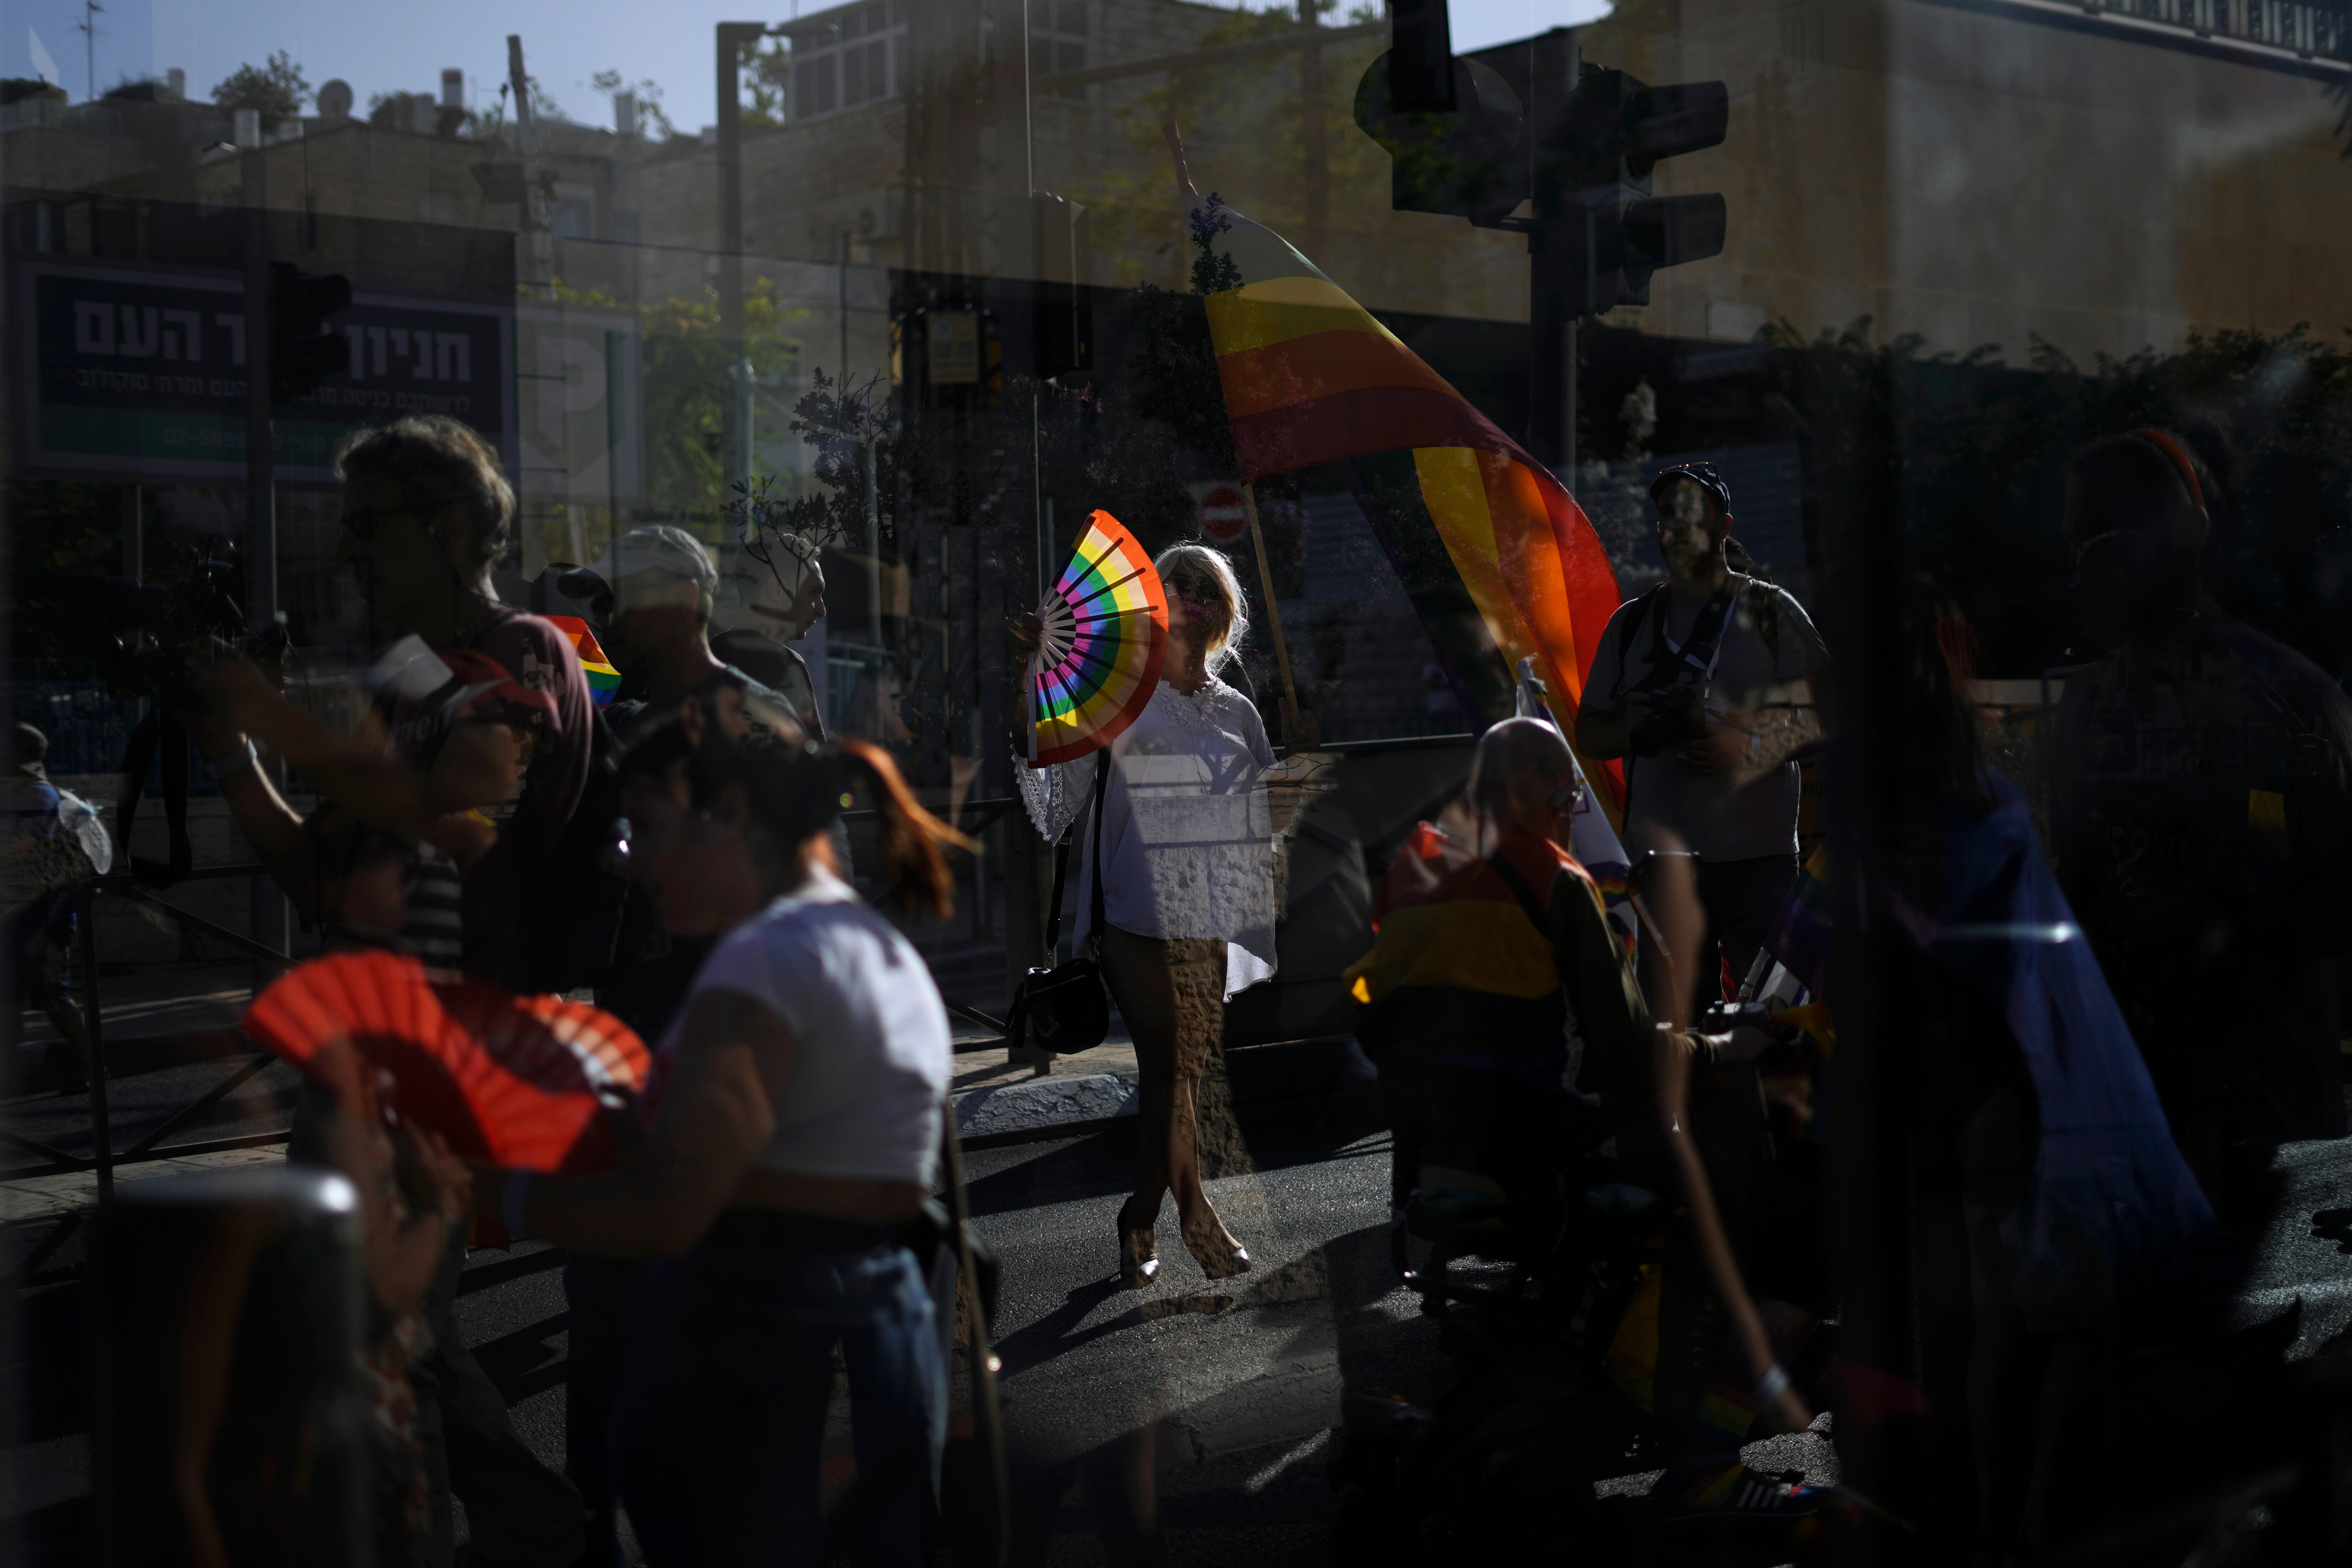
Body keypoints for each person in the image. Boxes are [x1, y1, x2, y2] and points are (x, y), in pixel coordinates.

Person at [176, 413, 590, 1568]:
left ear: (448, 527)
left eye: (368, 527)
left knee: (375, 1320)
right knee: (369, 1322)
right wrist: (229, 748)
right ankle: (526, 1528)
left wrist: (272, 713)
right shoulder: (402, 682)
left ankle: (505, 1529)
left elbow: (467, 813)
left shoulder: (524, 651)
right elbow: (316, 869)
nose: (350, 553)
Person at [478, 708, 971, 1566]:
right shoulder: (853, 941)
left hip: (750, 1365)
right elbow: (820, 1172)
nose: (631, 858)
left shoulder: (769, 961)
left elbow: (675, 1204)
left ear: (733, 815)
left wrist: (492, 1190)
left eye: (650, 827)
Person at [2048, 429, 2352, 1233]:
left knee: (2285, 1332)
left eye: (2098, 539)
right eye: (2083, 543)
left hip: (2221, 1112)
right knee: (2285, 1335)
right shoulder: (2291, 694)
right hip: (2219, 1109)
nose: (2086, 564)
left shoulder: (2285, 699)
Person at [1012, 543, 1282, 1287]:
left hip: (1208, 914)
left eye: (1210, 587)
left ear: (1229, 613)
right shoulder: (1118, 695)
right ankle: (1196, 1215)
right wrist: (1039, 671)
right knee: (1168, 1065)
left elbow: (1261, 815)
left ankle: (1139, 1213)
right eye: (1180, 584)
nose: (1194, 595)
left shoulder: (1238, 710)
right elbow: (1052, 788)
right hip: (1133, 914)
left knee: (1179, 1076)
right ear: (1155, 606)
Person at [1576, 461, 1830, 1018]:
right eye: (1666, 513)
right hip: (1661, 869)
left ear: (1724, 526)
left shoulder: (1769, 611)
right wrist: (1628, 724)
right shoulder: (1630, 624)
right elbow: (1587, 731)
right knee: (1672, 1032)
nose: (1676, 523)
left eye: (1692, 511)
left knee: (1777, 1022)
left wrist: (1745, 748)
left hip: (1755, 864)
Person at [4, 722, 101, 1092]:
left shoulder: (39, 796)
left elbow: (18, 850)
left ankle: (90, 1065)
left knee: (53, 996)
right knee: (7, 997)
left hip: (46, 917)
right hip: (19, 913)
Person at [713, 524, 830, 740]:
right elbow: (814, 761)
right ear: (777, 590)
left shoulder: (710, 657)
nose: (822, 610)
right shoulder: (787, 667)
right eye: (814, 593)